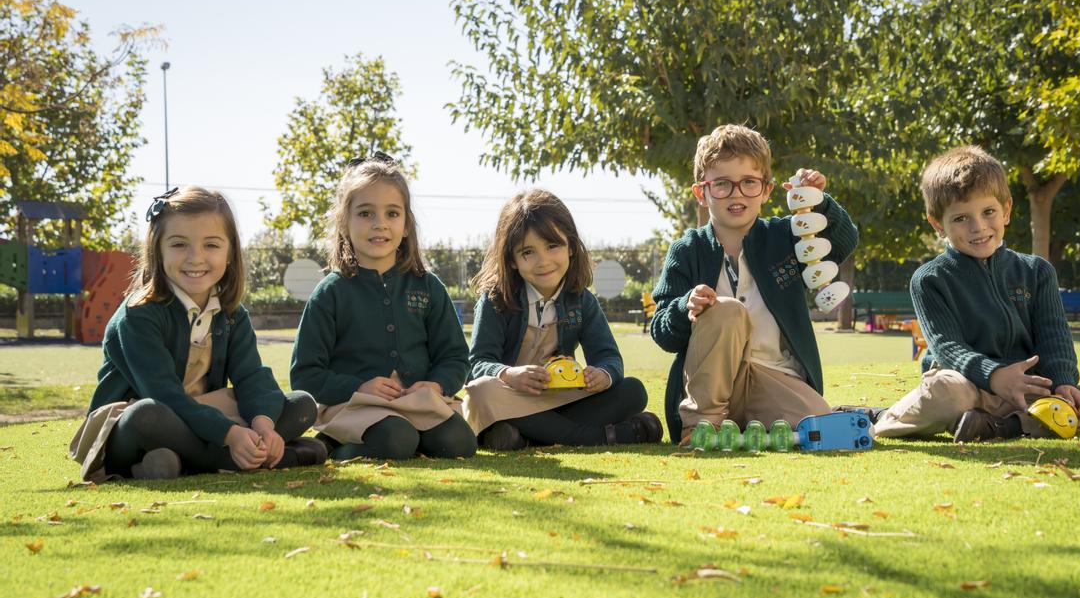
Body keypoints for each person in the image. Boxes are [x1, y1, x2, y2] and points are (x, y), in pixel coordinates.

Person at [873, 145, 1080, 441]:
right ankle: (881, 417)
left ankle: (1004, 427)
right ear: (939, 224)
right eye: (961, 218)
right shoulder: (929, 279)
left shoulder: (1037, 271)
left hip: (1034, 393)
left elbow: (1054, 337)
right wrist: (994, 376)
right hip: (969, 389)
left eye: (988, 212)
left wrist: (1064, 383)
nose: (978, 227)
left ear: (1006, 210)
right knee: (946, 395)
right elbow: (947, 347)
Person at [70, 186, 324, 482]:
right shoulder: (139, 314)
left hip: (203, 417)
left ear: (230, 253)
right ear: (158, 250)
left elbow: (251, 375)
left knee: (302, 404)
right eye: (179, 244)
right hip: (134, 423)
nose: (195, 258)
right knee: (148, 414)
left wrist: (263, 425)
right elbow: (164, 394)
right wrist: (229, 434)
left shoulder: (231, 313)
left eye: (211, 245)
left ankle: (174, 463)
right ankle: (254, 459)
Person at [649, 124, 859, 445]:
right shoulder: (687, 250)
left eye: (749, 182)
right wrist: (686, 307)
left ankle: (747, 427)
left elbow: (843, 241)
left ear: (767, 190)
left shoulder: (786, 237)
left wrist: (818, 201)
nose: (736, 193)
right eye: (722, 184)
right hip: (709, 383)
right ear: (701, 193)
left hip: (773, 374)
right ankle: (701, 426)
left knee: (820, 423)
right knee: (727, 311)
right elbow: (663, 332)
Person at [290, 153, 476, 461]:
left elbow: (455, 356)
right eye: (365, 213)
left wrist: (437, 383)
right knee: (396, 439)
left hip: (417, 403)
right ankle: (332, 445)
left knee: (460, 443)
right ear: (345, 223)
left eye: (392, 213)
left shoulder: (428, 286)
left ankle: (404, 440)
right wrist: (359, 386)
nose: (380, 224)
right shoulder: (330, 292)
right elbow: (305, 375)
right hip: (355, 405)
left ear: (405, 225)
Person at [463, 189, 662, 450]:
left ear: (570, 247)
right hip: (507, 397)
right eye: (527, 252)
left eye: (552, 246)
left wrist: (603, 374)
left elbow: (609, 357)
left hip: (559, 399)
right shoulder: (496, 300)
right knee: (481, 391)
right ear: (512, 260)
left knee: (633, 390)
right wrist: (509, 374)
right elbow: (478, 363)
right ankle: (604, 437)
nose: (543, 261)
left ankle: (522, 437)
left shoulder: (582, 300)